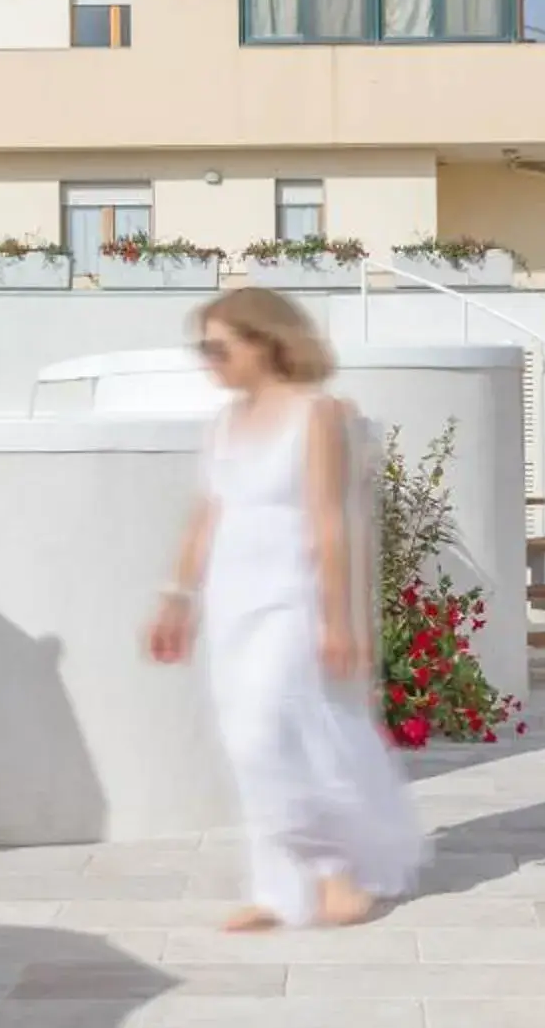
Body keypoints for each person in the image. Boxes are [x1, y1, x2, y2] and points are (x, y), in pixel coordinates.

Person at [148, 288, 423, 932]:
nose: (207, 361)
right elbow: (206, 514)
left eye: (219, 347)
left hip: (291, 600)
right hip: (231, 601)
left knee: (263, 734)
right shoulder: (222, 425)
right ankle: (280, 891)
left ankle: (335, 872)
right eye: (202, 348)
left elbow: (330, 522)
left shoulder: (316, 415)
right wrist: (176, 596)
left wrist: (338, 617)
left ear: (265, 343)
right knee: (250, 738)